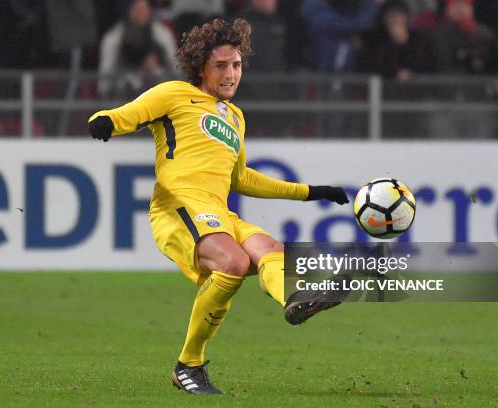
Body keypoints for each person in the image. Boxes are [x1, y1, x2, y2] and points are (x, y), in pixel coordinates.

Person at [87, 18, 349, 395]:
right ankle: (189, 364)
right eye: (221, 66)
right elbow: (126, 115)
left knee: (269, 250)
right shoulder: (174, 94)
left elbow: (241, 179)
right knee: (233, 262)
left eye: (237, 65)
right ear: (201, 68)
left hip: (218, 211)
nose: (230, 74)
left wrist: (311, 191)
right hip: (177, 206)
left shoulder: (235, 117)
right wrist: (104, 122)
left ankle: (298, 299)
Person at [97, 0, 177, 97]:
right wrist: (103, 92)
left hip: (155, 84)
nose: (140, 14)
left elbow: (173, 63)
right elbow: (107, 68)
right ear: (128, 12)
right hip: (124, 85)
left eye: (143, 10)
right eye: (136, 10)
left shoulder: (161, 35)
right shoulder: (114, 37)